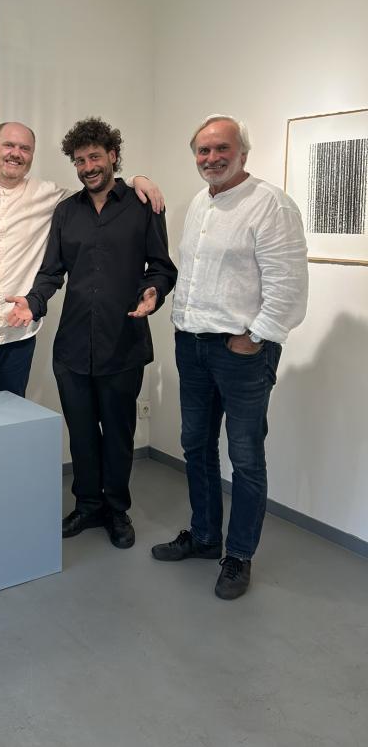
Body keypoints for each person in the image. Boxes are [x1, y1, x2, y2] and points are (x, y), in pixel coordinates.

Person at [151, 115, 308, 600]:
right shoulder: (201, 202)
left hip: (242, 351)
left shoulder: (271, 204)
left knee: (245, 455)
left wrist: (255, 337)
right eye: (203, 150)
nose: (212, 158)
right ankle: (204, 537)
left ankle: (238, 555)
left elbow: (288, 284)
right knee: (196, 445)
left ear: (243, 152)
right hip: (193, 343)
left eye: (222, 148)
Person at [5, 118, 177, 549]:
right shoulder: (67, 211)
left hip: (124, 342)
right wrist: (33, 302)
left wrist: (153, 291)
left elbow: (161, 266)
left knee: (118, 433)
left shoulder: (142, 206)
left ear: (113, 156)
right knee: (81, 433)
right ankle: (87, 505)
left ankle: (117, 510)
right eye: (80, 161)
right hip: (73, 346)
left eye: (95, 157)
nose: (88, 167)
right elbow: (51, 272)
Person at [0, 121, 164, 397]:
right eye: (8, 145)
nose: (16, 153)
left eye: (24, 148)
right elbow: (51, 272)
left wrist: (136, 179)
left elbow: (101, 188)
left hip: (20, 330)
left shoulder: (51, 197)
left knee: (10, 412)